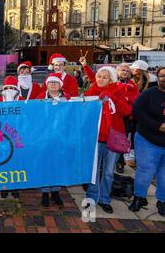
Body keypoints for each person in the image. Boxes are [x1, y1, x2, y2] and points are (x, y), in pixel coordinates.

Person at [81, 65, 132, 214]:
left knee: (108, 172)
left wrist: (113, 98)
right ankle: (91, 198)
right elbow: (82, 110)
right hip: (96, 138)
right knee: (94, 171)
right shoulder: (91, 92)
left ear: (111, 78)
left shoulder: (118, 91)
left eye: (104, 76)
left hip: (113, 138)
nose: (100, 79)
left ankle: (104, 198)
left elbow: (126, 111)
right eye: (98, 76)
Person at [129, 67, 165, 217]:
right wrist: (158, 126)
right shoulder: (149, 93)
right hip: (147, 139)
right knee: (145, 171)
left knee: (164, 173)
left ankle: (162, 201)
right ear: (157, 77)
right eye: (162, 76)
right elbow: (137, 111)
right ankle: (139, 197)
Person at [35, 74, 70, 208]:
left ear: (61, 85)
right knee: (45, 163)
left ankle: (55, 192)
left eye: (56, 82)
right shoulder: (39, 99)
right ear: (46, 84)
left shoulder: (67, 99)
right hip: (44, 137)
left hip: (60, 137)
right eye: (51, 82)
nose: (53, 84)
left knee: (58, 164)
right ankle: (44, 193)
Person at [0, 76, 22, 200]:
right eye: (7, 88)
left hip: (17, 134)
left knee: (16, 161)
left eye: (12, 88)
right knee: (4, 160)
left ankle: (15, 186)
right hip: (2, 135)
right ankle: (4, 186)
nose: (10, 90)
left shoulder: (21, 100)